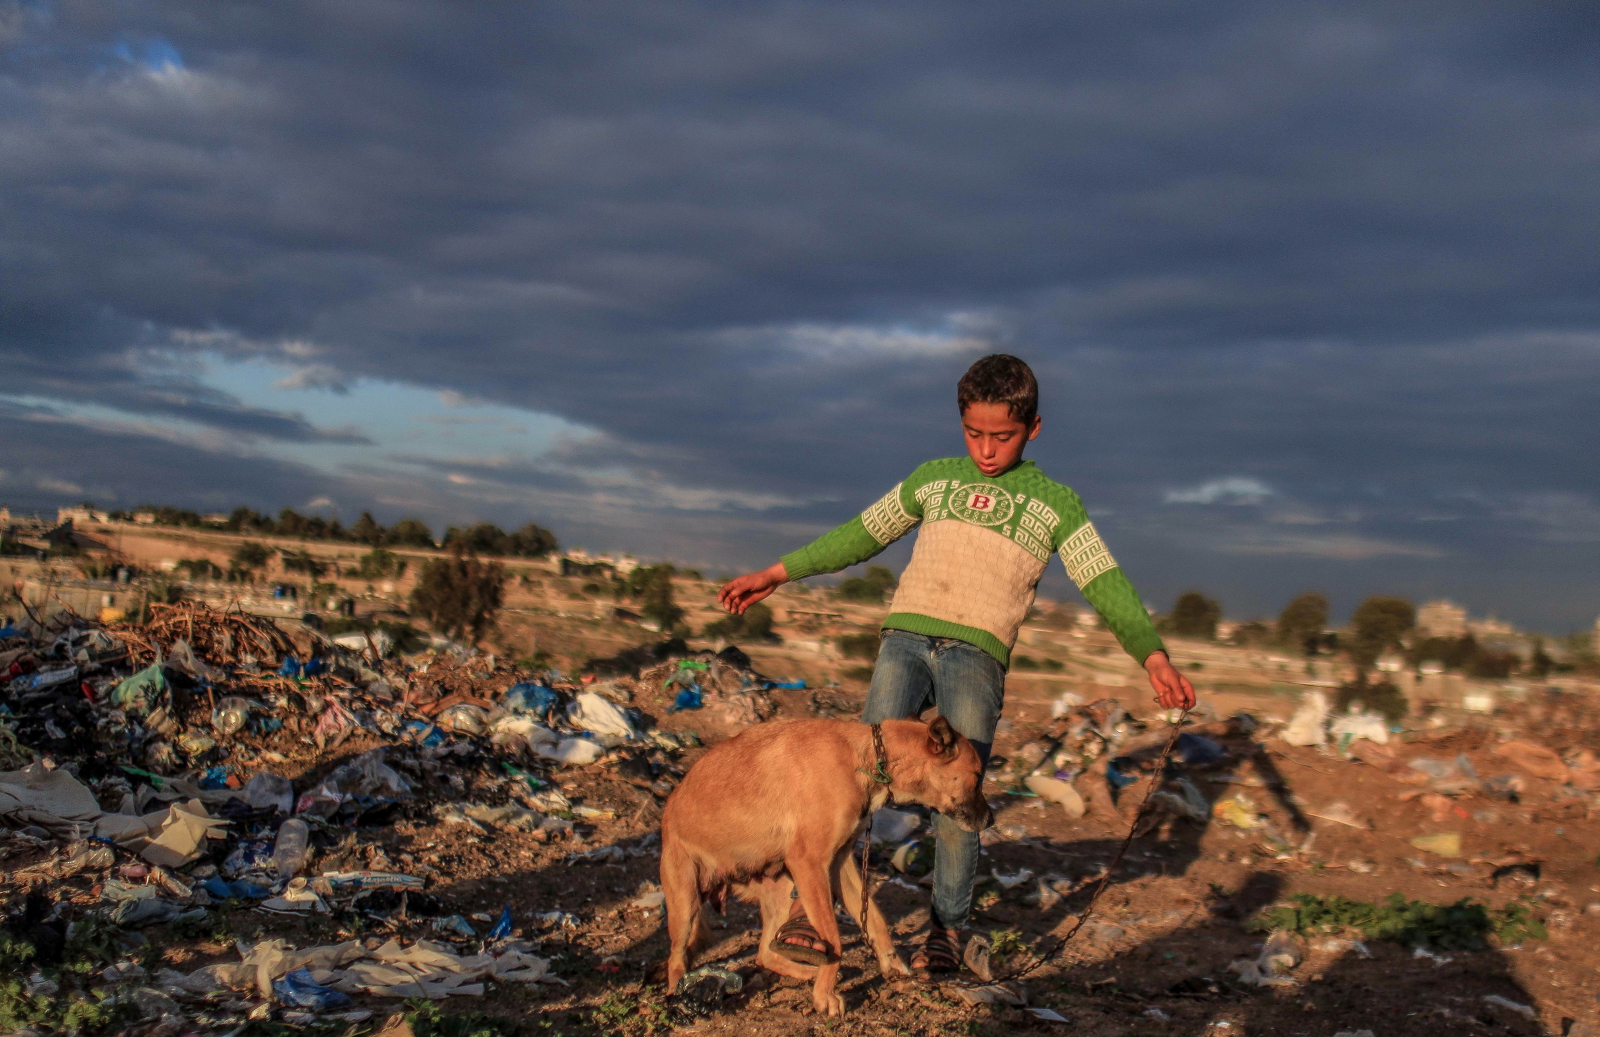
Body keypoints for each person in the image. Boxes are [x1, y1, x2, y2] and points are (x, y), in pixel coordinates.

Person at [718, 353, 1196, 973]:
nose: (988, 449)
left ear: (1034, 428)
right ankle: (818, 920)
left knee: (961, 790)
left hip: (977, 657)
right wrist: (777, 573)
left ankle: (946, 930)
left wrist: (1152, 656)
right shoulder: (934, 479)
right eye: (974, 433)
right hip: (905, 641)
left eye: (1004, 436)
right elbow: (859, 534)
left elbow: (1102, 579)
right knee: (853, 776)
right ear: (960, 423)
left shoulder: (1056, 504)